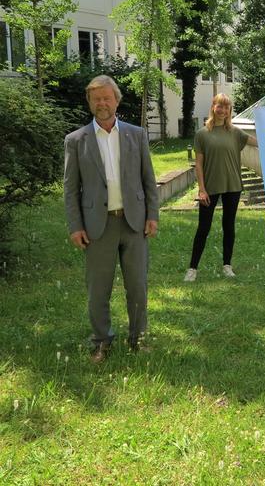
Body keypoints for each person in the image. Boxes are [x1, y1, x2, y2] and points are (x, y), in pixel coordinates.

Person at [64, 75, 159, 363]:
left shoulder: (136, 134)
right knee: (98, 289)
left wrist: (152, 215)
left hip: (134, 222)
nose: (102, 103)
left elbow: (148, 180)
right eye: (96, 99)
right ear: (90, 103)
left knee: (138, 286)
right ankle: (101, 341)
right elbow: (70, 189)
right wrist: (75, 225)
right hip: (96, 227)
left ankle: (138, 338)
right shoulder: (76, 140)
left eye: (106, 98)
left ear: (116, 100)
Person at [184, 93, 257, 282]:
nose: (223, 111)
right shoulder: (202, 134)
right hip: (210, 187)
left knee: (229, 226)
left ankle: (227, 265)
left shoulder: (235, 132)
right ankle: (192, 269)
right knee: (203, 228)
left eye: (227, 107)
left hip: (233, 185)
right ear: (213, 107)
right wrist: (201, 189)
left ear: (229, 110)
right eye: (220, 106)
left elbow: (257, 143)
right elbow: (198, 164)